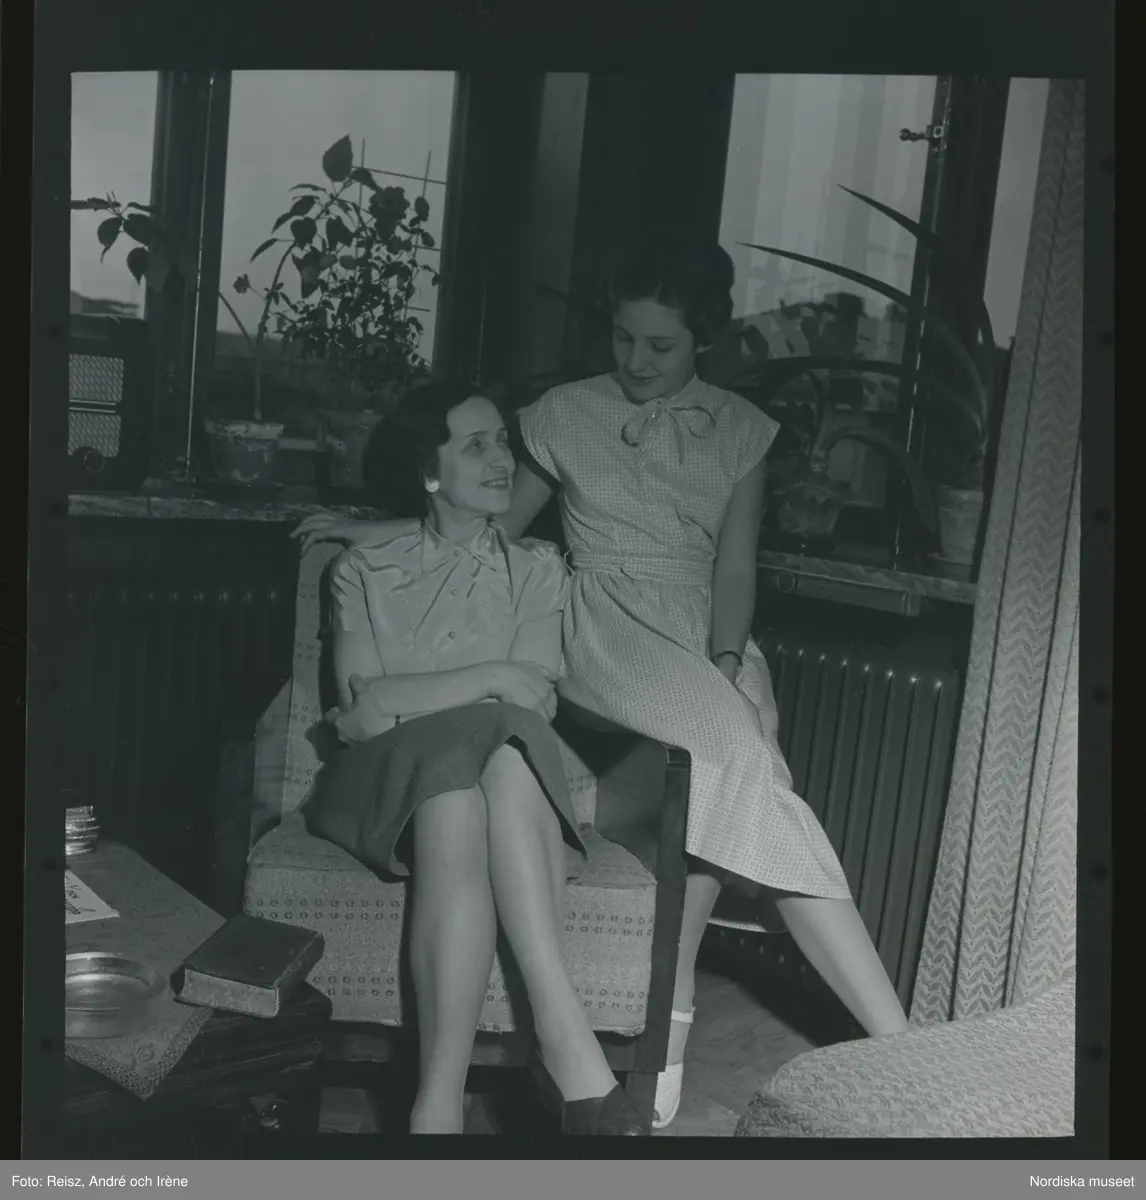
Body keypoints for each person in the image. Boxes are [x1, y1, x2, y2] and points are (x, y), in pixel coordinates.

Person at [294, 228, 911, 1131]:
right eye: (623, 338)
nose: (637, 360)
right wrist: (379, 530)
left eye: (660, 344)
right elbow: (492, 524)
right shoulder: (565, 411)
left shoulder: (740, 428)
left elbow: (736, 568)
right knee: (738, 759)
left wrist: (729, 663)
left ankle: (676, 1009)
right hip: (609, 623)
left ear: (704, 338)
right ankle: (897, 1040)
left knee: (740, 765)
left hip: (706, 629)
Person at [302, 377, 648, 1136]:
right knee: (491, 744)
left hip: (473, 785)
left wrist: (408, 693)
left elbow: (532, 704)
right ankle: (566, 1042)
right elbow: (360, 721)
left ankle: (435, 1112)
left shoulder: (539, 569)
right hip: (379, 781)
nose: (502, 460)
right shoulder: (361, 570)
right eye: (476, 445)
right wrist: (489, 675)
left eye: (504, 444)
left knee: (468, 784)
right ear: (430, 471)